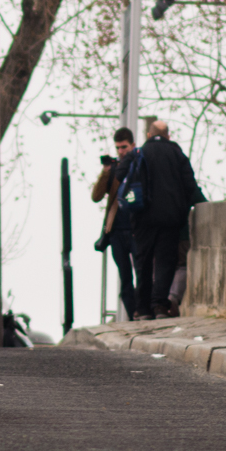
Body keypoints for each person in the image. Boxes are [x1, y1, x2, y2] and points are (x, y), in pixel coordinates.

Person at [130, 120, 204, 319]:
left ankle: (143, 308)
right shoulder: (177, 154)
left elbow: (125, 181)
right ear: (168, 136)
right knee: (165, 262)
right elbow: (190, 186)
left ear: (148, 135)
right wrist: (204, 204)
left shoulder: (139, 153)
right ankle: (160, 306)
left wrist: (132, 211)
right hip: (170, 218)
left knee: (143, 263)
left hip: (143, 217)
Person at [90, 127, 141, 319]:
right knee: (125, 277)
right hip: (117, 231)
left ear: (133, 145)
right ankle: (133, 314)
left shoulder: (139, 164)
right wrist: (106, 173)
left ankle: (143, 310)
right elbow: (96, 196)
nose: (121, 151)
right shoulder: (114, 170)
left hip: (136, 228)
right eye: (118, 148)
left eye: (125, 147)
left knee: (142, 273)